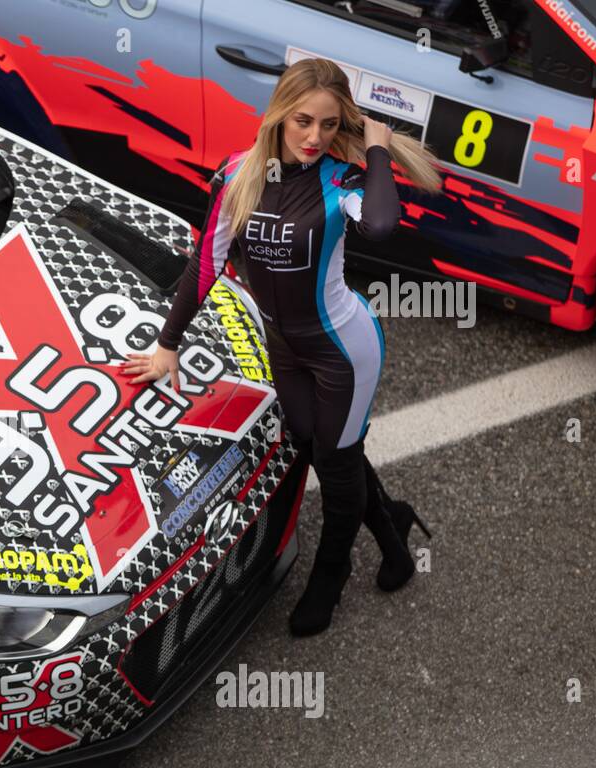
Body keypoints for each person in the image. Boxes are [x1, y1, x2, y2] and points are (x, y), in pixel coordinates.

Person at [122, 57, 440, 637]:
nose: (315, 137)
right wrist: (168, 345)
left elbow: (382, 227)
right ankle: (393, 529)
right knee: (315, 445)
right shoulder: (239, 174)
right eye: (301, 122)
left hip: (344, 349)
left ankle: (330, 574)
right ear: (277, 117)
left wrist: (376, 150)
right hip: (286, 350)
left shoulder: (342, 178)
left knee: (336, 461)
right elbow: (206, 262)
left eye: (327, 124)